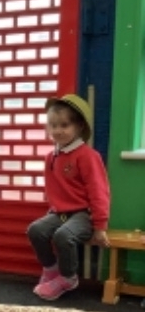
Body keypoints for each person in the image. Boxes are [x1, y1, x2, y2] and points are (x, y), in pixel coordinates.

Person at [26, 93, 110, 301]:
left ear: (79, 126)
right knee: (36, 230)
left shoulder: (88, 156)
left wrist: (100, 226)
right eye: (53, 125)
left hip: (84, 214)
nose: (57, 131)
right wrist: (52, 210)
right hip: (60, 213)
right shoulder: (51, 157)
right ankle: (51, 269)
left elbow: (99, 191)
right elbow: (54, 189)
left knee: (63, 236)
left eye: (64, 125)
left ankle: (68, 277)